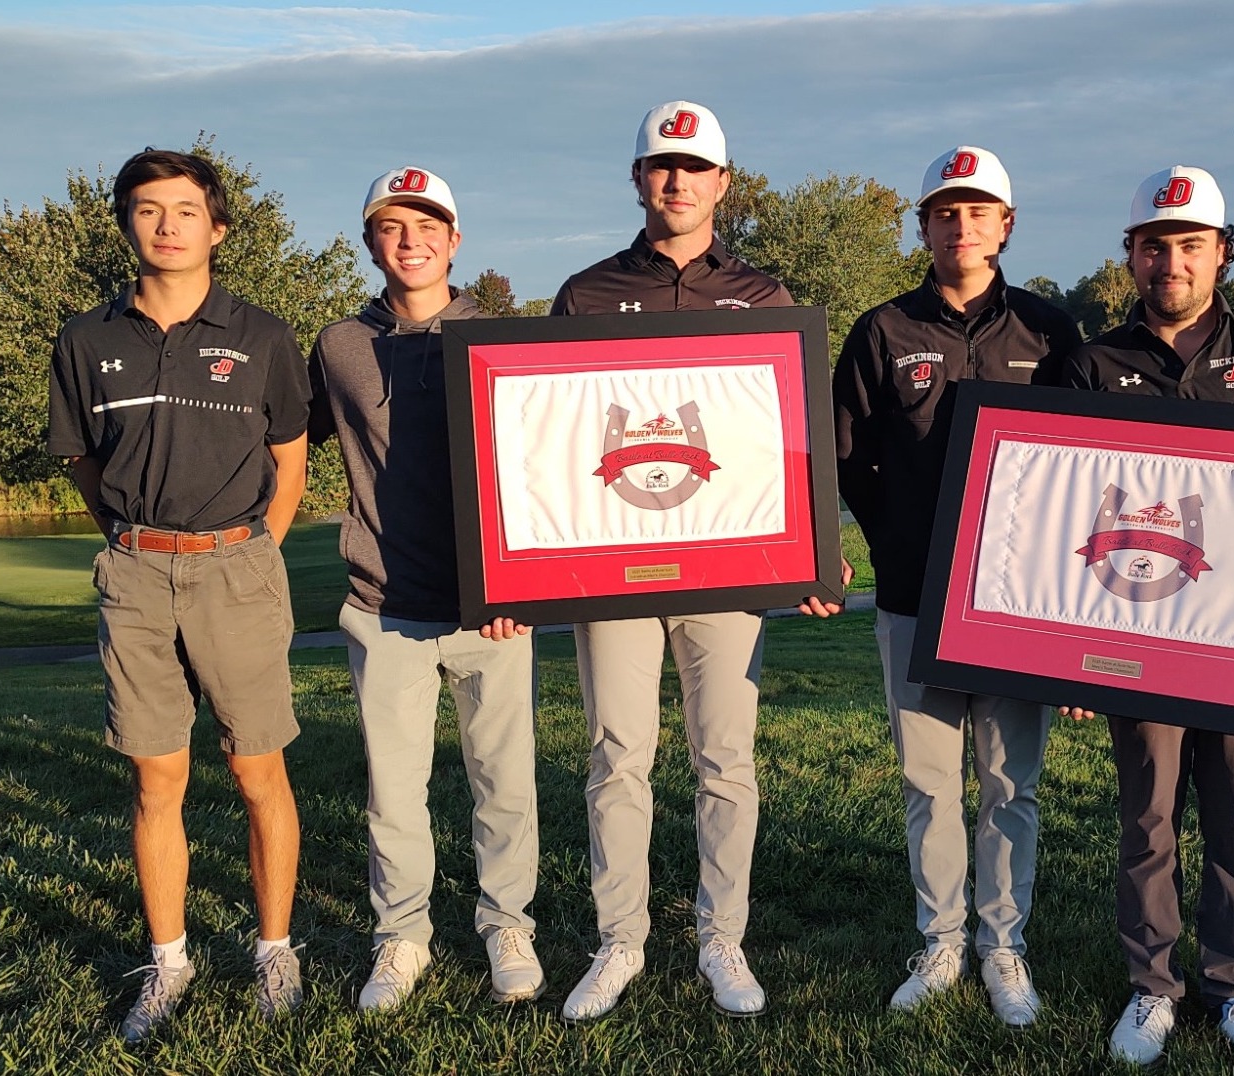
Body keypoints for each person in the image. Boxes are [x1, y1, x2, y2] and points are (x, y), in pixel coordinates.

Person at [47, 148, 310, 1041]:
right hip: (133, 571)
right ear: (126, 222)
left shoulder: (265, 335)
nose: (167, 224)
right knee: (158, 778)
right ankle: (168, 963)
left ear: (217, 226)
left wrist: (255, 551)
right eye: (148, 209)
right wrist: (135, 545)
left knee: (255, 768)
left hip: (237, 567)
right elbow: (85, 461)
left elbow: (289, 459)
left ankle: (275, 947)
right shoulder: (86, 339)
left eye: (186, 209)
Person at [547, 100, 793, 1021]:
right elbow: (557, 437)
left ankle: (720, 935)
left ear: (723, 182)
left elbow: (785, 445)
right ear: (639, 178)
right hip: (612, 567)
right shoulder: (586, 294)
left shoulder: (767, 298)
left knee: (724, 756)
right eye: (661, 166)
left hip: (726, 569)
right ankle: (621, 941)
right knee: (618, 755)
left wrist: (803, 557)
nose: (677, 181)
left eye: (695, 167)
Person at [1060, 166, 1234, 1069]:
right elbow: (1064, 514)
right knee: (1149, 820)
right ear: (1130, 256)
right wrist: (1078, 656)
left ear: (1222, 253)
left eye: (1191, 244)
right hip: (1139, 637)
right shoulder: (1090, 364)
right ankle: (1151, 989)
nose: (1172, 261)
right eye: (1155, 245)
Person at [834, 145, 1080, 1026]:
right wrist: (895, 534)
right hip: (915, 592)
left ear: (1006, 226)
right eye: (945, 212)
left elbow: (1083, 470)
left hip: (1020, 606)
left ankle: (1001, 942)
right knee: (930, 780)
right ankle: (939, 940)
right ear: (925, 226)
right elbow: (848, 454)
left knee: (1012, 780)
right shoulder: (883, 331)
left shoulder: (1052, 333)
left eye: (978, 212)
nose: (961, 225)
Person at [307, 167, 543, 1013]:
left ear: (454, 239)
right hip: (383, 602)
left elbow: (542, 468)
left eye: (425, 226)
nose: (409, 242)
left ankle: (507, 924)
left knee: (503, 780)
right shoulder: (337, 344)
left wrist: (530, 579)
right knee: (392, 788)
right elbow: (284, 444)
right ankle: (401, 937)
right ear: (370, 241)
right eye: (390, 228)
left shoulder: (505, 336)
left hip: (495, 607)